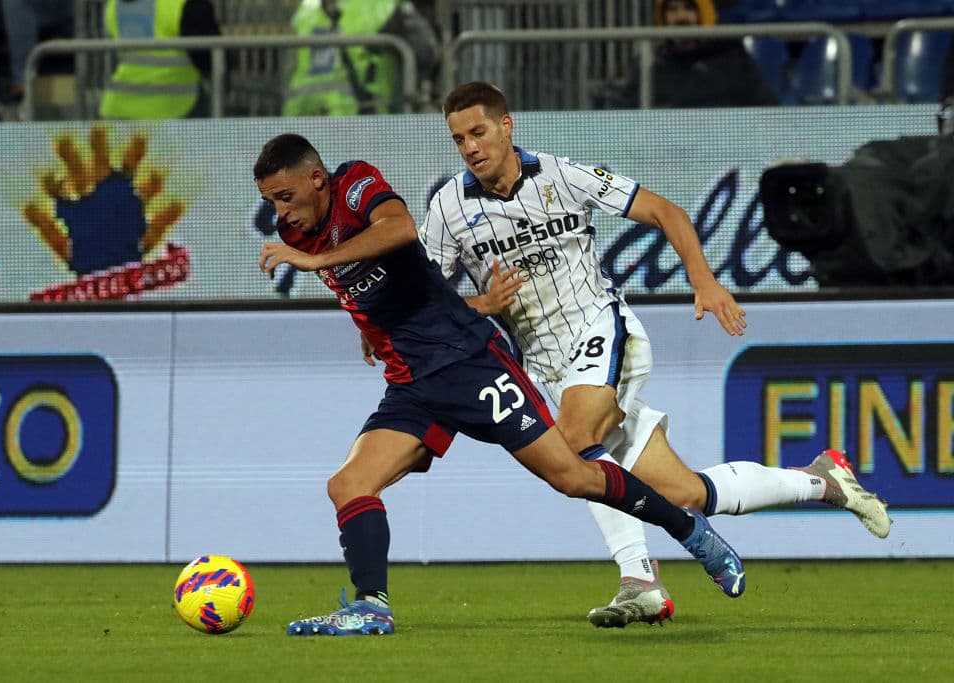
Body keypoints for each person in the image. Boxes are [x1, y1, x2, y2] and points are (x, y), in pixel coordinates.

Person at [420, 81, 891, 629]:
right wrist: (477, 304)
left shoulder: (562, 176)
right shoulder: (449, 208)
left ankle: (639, 578)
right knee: (686, 490)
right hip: (547, 368)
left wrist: (704, 282)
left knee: (573, 449)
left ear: (507, 126)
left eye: (478, 132)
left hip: (602, 329)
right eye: (458, 140)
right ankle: (823, 481)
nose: (471, 148)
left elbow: (665, 212)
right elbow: (429, 295)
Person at [254, 133, 746, 637]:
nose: (281, 212)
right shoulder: (294, 233)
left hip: (469, 362)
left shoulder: (355, 184)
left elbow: (399, 229)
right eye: (271, 201)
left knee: (573, 476)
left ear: (318, 179)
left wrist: (317, 263)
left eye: (286, 197)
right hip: (411, 380)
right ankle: (371, 607)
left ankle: (687, 528)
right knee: (348, 485)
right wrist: (369, 328)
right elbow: (381, 290)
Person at [599, 0, 778, 109]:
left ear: (703, 14)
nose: (681, 17)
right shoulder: (649, 62)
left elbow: (764, 107)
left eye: (688, 9)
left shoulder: (732, 58)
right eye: (673, 10)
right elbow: (627, 108)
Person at [281, 0, 438, 116]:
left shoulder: (306, 8)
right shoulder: (384, 6)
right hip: (363, 113)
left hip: (301, 112)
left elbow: (288, 66)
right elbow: (426, 54)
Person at [99, 0, 222, 120]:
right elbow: (210, 60)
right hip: (170, 109)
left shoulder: (114, 4)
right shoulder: (185, 5)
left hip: (118, 107)